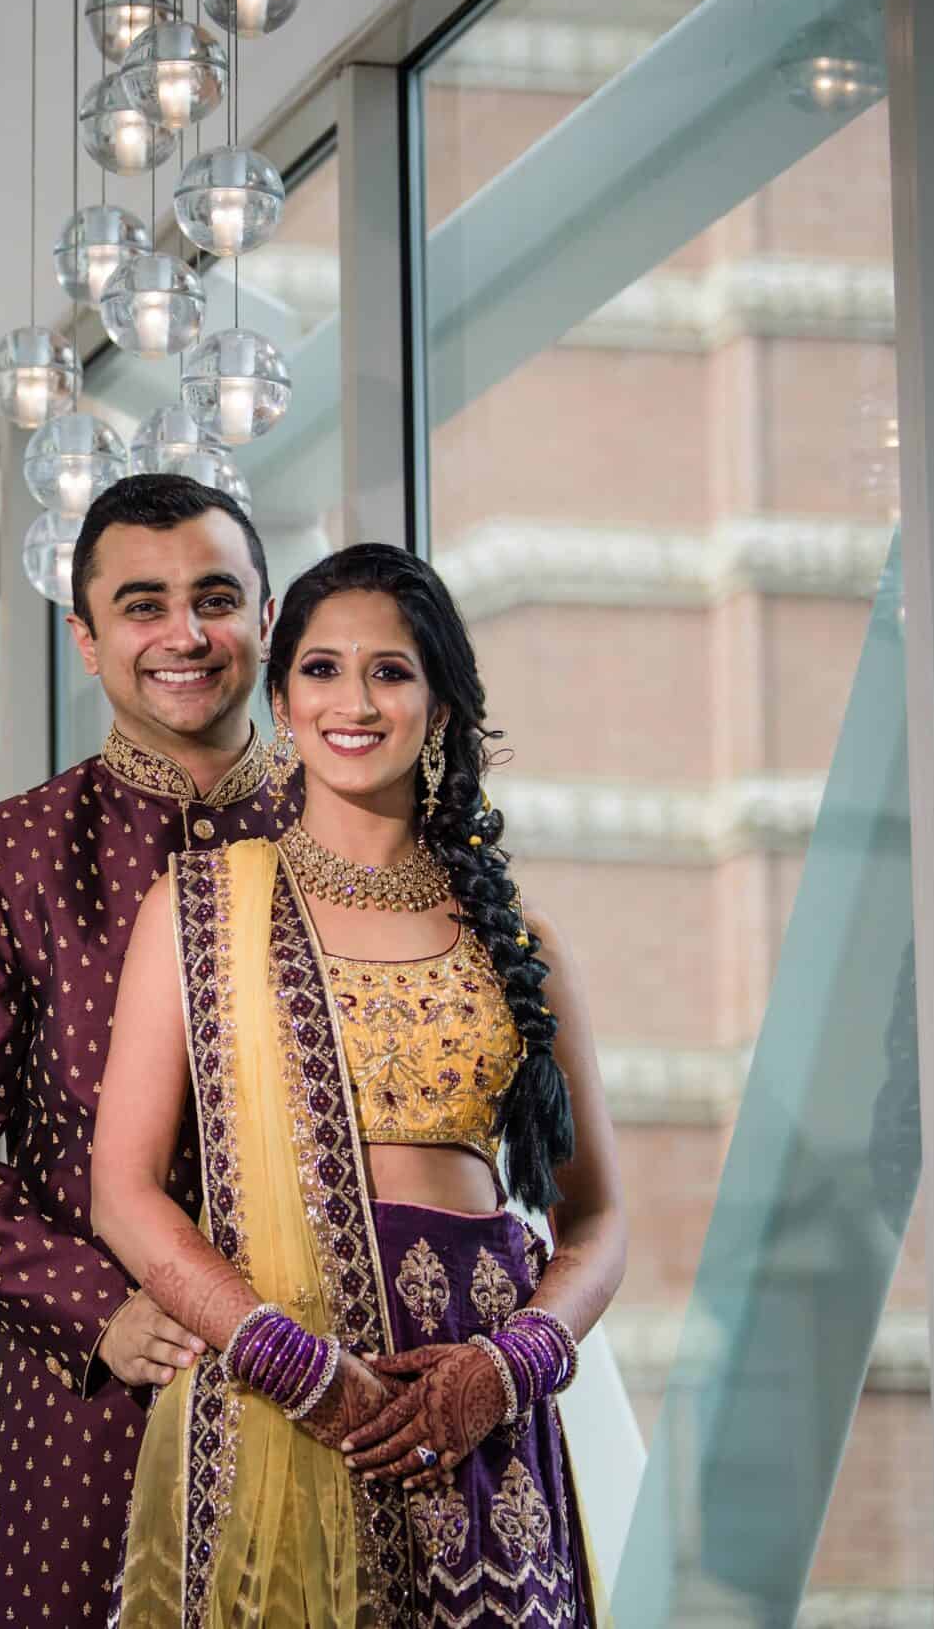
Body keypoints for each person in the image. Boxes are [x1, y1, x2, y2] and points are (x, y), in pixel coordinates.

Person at [91, 543, 627, 1625]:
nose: (354, 699)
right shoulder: (196, 909)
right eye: (322, 669)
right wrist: (296, 1363)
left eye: (390, 671)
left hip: (477, 1416)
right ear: (282, 700)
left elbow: (599, 1215)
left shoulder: (517, 939)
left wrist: (510, 1363)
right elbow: (124, 1187)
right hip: (274, 1390)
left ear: (439, 707)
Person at [0, 474, 296, 1625]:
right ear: (87, 637)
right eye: (142, 604)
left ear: (264, 616)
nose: (184, 633)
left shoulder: (349, 837)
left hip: (336, 1400)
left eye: (215, 597)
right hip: (96, 1421)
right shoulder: (4, 855)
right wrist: (99, 1308)